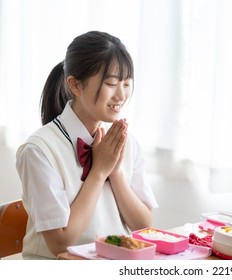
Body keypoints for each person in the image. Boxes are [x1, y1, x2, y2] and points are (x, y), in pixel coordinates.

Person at [16, 31, 158, 259]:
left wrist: (116, 173)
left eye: (127, 83)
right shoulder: (39, 150)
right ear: (75, 85)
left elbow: (143, 225)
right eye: (111, 83)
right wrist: (99, 172)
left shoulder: (125, 141)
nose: (121, 95)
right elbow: (61, 244)